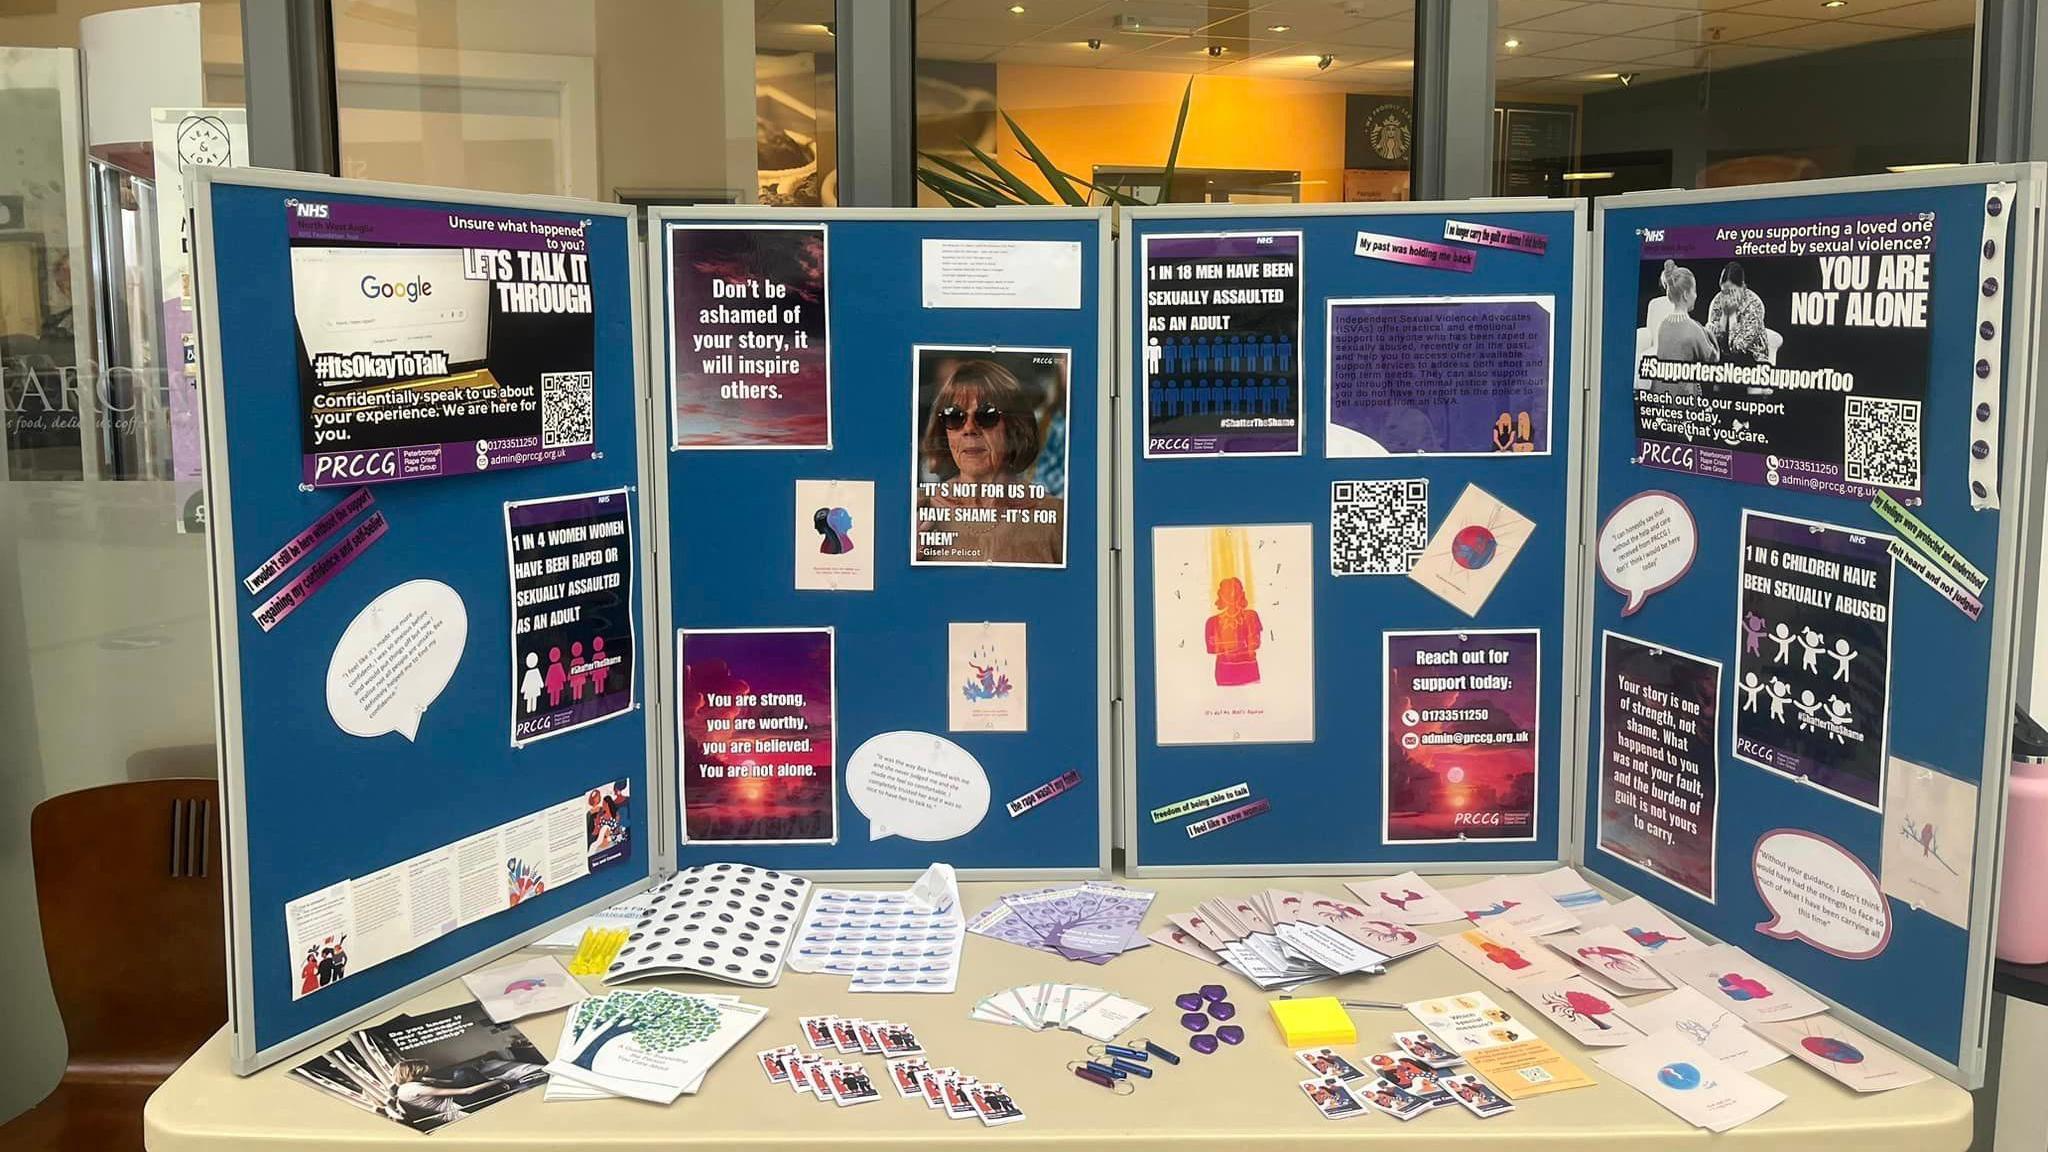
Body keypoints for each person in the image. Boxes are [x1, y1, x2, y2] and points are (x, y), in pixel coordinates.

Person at [914, 358, 1063, 565]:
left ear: (1014, 427)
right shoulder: (916, 511)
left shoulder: (1057, 519)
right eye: (955, 417)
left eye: (986, 415)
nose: (969, 429)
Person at [1653, 261, 1719, 366]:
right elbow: (1713, 358)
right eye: (1694, 291)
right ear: (1685, 295)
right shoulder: (1694, 329)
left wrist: (1704, 332)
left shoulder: (1663, 325)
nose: (1696, 295)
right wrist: (1711, 335)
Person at [1705, 261, 1771, 364]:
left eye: (1732, 291)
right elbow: (1712, 346)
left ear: (1743, 286)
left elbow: (1738, 348)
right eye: (1724, 292)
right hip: (1725, 359)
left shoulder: (1754, 304)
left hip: (1753, 358)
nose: (1728, 297)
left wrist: (1731, 315)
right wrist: (1723, 317)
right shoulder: (1717, 301)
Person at [1204, 576, 1262, 687]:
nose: (1232, 596)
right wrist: (1242, 643)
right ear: (1221, 595)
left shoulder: (1251, 616)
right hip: (1225, 672)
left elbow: (1255, 643)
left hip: (1249, 671)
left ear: (1241, 593)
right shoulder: (1212, 622)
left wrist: (1226, 645)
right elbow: (1212, 649)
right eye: (1227, 592)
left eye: (1235, 591)